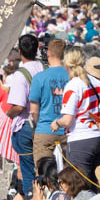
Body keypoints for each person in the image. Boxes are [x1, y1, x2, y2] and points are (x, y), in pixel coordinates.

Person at [52, 47, 100, 181]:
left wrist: (57, 122)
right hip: (98, 136)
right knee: (96, 182)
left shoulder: (72, 85)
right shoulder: (94, 81)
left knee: (79, 183)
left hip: (80, 138)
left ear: (66, 64)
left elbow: (68, 120)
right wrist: (97, 115)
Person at [6, 34, 43, 198]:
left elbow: (19, 105)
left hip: (27, 124)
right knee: (44, 167)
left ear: (20, 51)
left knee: (28, 169)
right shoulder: (44, 67)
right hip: (45, 122)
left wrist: (8, 114)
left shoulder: (21, 74)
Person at [29, 38, 68, 167]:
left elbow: (34, 110)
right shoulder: (71, 75)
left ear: (49, 53)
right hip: (68, 130)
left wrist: (37, 123)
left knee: (43, 173)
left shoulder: (40, 77)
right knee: (70, 176)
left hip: (45, 129)